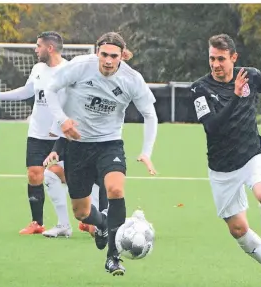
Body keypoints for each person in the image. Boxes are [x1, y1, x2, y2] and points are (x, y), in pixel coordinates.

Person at [45, 32, 158, 276]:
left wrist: (146, 152)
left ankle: (113, 257)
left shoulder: (131, 79)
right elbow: (50, 89)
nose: (108, 60)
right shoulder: (80, 67)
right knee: (81, 213)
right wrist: (62, 121)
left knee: (115, 190)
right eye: (104, 54)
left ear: (122, 56)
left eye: (113, 56)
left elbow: (150, 114)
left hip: (110, 143)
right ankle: (104, 225)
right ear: (97, 52)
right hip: (77, 145)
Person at [190, 34, 261, 287]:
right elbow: (212, 127)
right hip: (222, 168)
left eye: (221, 59)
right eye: (212, 58)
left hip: (252, 155)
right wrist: (236, 96)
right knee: (237, 230)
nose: (215, 64)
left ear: (233, 58)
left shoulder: (252, 75)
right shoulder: (199, 88)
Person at [0, 31, 73, 237]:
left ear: (49, 48)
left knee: (66, 175)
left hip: (61, 136)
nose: (36, 50)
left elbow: (72, 103)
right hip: (37, 133)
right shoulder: (38, 68)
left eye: (38, 46)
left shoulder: (69, 70)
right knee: (35, 174)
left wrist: (61, 127)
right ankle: (37, 222)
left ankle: (92, 213)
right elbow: (28, 91)